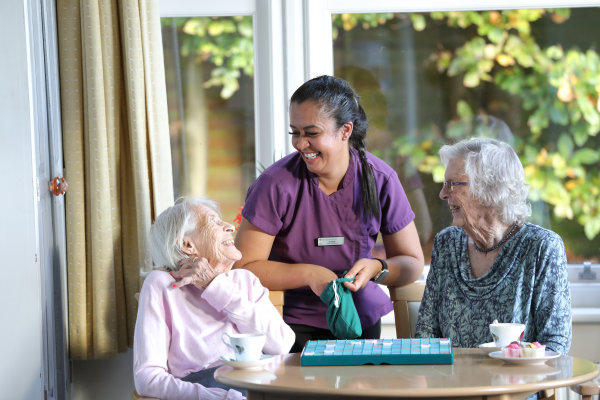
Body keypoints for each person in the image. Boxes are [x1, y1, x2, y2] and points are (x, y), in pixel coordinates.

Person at [234, 75, 425, 352]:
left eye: (311, 133)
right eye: (294, 132)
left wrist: (377, 268)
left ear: (345, 130)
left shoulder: (381, 179)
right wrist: (310, 275)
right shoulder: (274, 184)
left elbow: (411, 263)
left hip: (359, 323)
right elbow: (244, 268)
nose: (300, 144)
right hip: (287, 326)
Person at [415, 137, 571, 355]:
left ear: (489, 189)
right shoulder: (447, 243)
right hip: (450, 385)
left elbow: (555, 347)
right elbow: (425, 333)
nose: (442, 194)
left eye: (452, 184)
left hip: (515, 385)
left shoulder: (542, 248)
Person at [133, 197, 295, 399]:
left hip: (263, 379)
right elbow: (147, 379)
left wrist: (215, 286)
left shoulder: (244, 280)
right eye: (214, 222)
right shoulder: (160, 284)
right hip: (209, 386)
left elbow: (281, 344)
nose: (230, 227)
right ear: (187, 244)